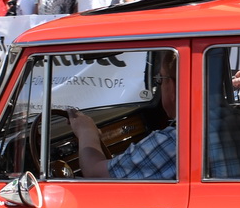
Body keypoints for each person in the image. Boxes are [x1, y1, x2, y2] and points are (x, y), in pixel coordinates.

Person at [69, 51, 179, 180]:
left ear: (172, 87)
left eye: (160, 80)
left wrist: (86, 132)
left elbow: (97, 175)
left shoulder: (176, 142)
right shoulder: (202, 131)